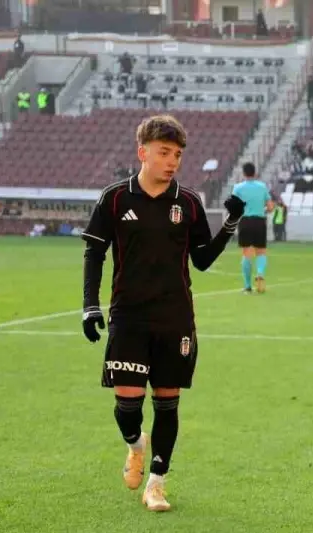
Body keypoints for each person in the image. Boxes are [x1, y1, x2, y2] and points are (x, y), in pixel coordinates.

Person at [80, 115, 244, 512]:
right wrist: (89, 305)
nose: (172, 161)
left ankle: (156, 484)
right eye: (164, 153)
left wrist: (230, 225)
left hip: (175, 318)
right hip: (129, 317)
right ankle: (136, 446)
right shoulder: (115, 198)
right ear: (143, 152)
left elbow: (202, 260)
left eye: (177, 155)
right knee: (128, 407)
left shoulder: (187, 203)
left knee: (167, 402)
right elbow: (94, 253)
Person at [232, 162, 274, 294]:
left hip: (245, 221)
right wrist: (262, 209)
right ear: (255, 173)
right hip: (259, 220)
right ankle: (260, 273)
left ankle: (247, 286)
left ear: (243, 173)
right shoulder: (262, 187)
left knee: (247, 253)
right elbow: (271, 207)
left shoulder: (238, 188)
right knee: (261, 251)